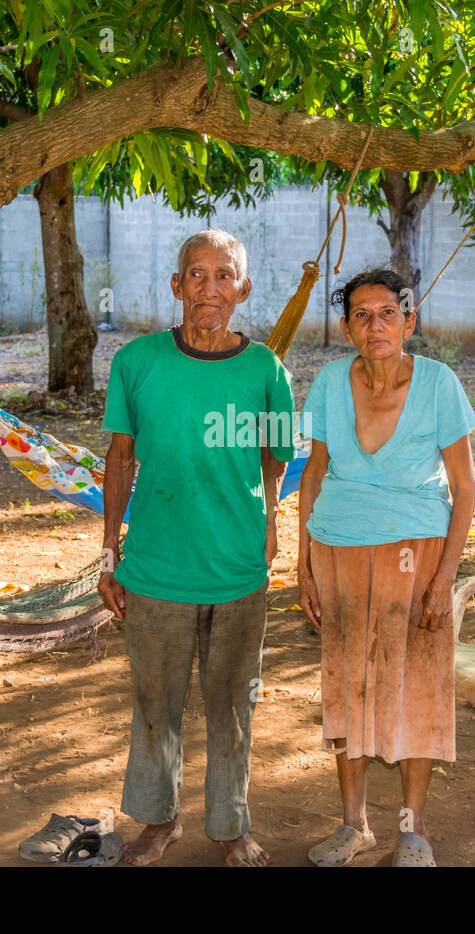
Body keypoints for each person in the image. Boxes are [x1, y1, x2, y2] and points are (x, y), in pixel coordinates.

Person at [98, 229, 296, 866]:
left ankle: (231, 825)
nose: (209, 288)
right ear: (178, 286)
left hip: (237, 569)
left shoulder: (267, 370)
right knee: (156, 706)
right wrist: (109, 553)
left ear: (241, 288)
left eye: (223, 275)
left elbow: (274, 459)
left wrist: (269, 524)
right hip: (155, 569)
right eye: (196, 275)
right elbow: (120, 459)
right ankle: (159, 823)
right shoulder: (137, 364)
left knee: (234, 705)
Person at [297, 267, 475, 867]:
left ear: (409, 320)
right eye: (361, 315)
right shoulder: (327, 382)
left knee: (416, 689)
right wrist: (303, 564)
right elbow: (314, 474)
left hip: (417, 555)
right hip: (338, 549)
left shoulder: (438, 383)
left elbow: (465, 489)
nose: (376, 326)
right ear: (347, 328)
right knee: (350, 686)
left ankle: (412, 830)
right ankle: (354, 826)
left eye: (387, 313)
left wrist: (445, 576)